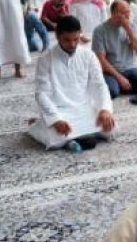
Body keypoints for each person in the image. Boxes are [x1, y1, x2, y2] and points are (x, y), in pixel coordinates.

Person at [30, 16, 116, 151]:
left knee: (110, 128)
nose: (72, 44)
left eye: (76, 39)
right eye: (67, 40)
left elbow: (99, 85)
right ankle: (40, 125)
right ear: (57, 36)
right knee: (54, 138)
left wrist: (104, 109)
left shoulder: (88, 55)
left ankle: (72, 139)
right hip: (60, 111)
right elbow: (41, 93)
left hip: (84, 109)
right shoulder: (45, 58)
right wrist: (56, 119)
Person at [92, 1, 137, 99]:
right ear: (113, 13)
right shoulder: (100, 30)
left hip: (130, 68)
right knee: (112, 91)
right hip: (110, 71)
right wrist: (120, 78)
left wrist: (128, 29)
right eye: (123, 12)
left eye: (128, 12)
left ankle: (123, 86)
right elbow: (101, 61)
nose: (127, 15)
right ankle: (118, 85)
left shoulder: (132, 26)